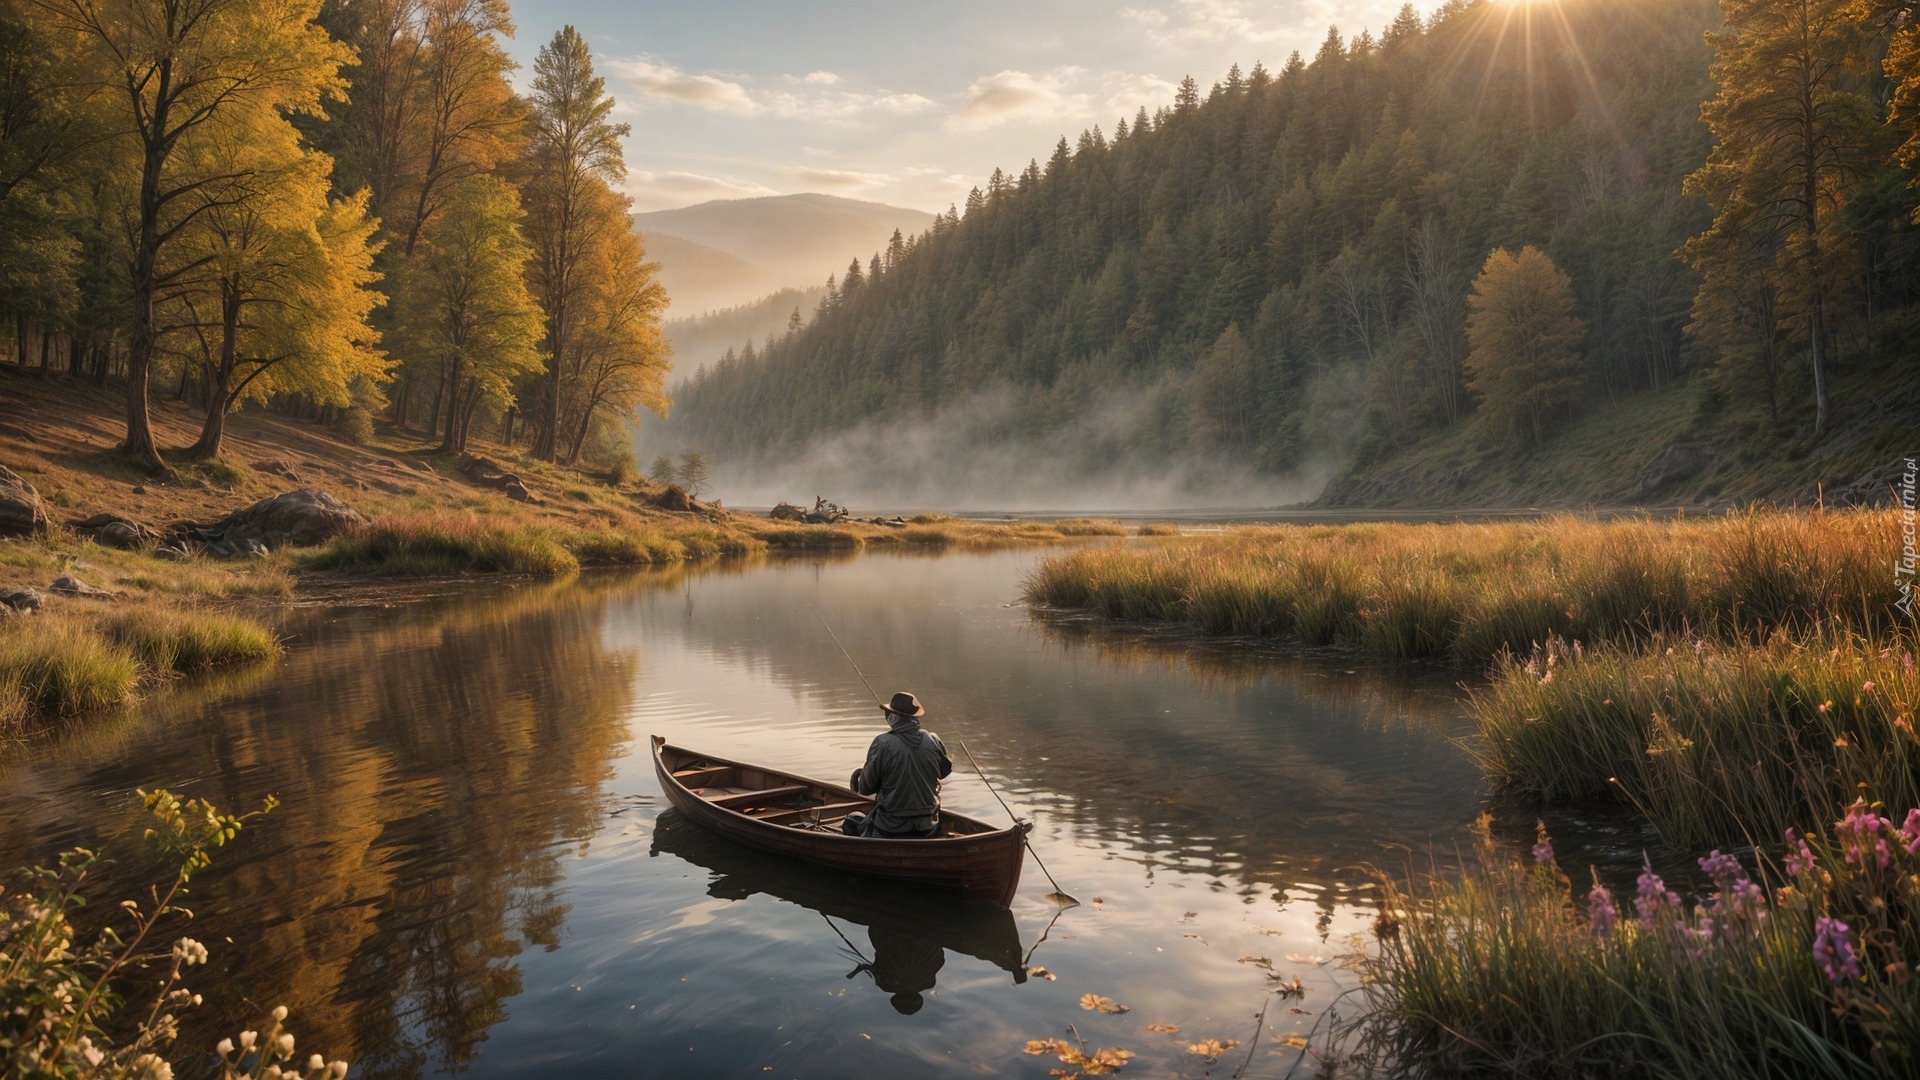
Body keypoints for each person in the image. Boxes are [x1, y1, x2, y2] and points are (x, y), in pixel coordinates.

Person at [843, 691, 952, 838]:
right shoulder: (933, 739)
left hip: (891, 827)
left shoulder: (883, 743)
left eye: (889, 713)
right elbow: (944, 772)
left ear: (894, 718)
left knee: (851, 820)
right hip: (927, 824)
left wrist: (862, 775)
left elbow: (865, 788)